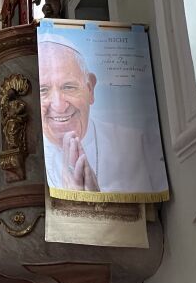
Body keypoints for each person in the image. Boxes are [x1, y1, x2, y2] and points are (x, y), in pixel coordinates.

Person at [38, 37, 167, 194]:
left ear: (90, 89)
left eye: (68, 87)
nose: (59, 105)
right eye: (43, 90)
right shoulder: (31, 162)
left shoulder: (138, 144)